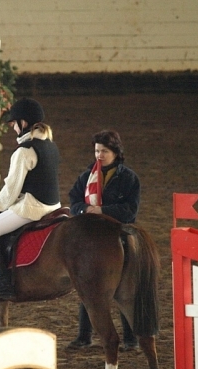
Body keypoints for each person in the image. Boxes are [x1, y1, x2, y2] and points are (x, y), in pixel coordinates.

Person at [0, 98, 61, 301]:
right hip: (54, 206)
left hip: (33, 209)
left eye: (13, 124)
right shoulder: (50, 145)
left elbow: (10, 191)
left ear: (23, 123)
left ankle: (4, 284)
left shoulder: (24, 151)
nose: (13, 128)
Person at [68, 129, 140, 351]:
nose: (99, 155)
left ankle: (131, 338)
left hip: (119, 235)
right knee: (86, 286)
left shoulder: (129, 178)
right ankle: (84, 336)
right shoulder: (86, 176)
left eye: (104, 151)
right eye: (97, 150)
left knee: (123, 289)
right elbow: (74, 202)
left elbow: (129, 211)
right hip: (92, 239)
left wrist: (101, 210)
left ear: (116, 152)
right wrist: (86, 210)